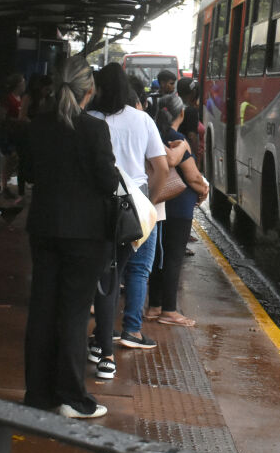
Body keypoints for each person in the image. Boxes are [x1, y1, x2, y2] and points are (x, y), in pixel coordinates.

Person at [21, 56, 118, 419]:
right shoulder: (93, 130)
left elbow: (28, 173)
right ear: (88, 91)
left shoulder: (37, 126)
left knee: (42, 308)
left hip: (44, 228)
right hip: (86, 234)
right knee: (74, 313)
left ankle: (39, 393)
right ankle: (72, 397)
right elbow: (108, 182)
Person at [88, 63, 167, 380]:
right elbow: (160, 167)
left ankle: (105, 351)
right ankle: (100, 343)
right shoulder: (143, 120)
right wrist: (150, 202)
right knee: (116, 271)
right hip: (133, 207)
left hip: (98, 204)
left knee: (105, 278)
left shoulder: (91, 120)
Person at [145, 94, 208, 327]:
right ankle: (169, 310)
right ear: (181, 114)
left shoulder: (154, 135)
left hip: (158, 204)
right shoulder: (178, 140)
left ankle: (154, 306)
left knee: (158, 257)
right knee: (173, 256)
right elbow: (192, 177)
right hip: (179, 207)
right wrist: (204, 190)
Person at [176, 78, 200, 162]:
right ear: (193, 93)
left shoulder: (174, 107)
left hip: (175, 152)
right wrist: (195, 158)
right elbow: (192, 136)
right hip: (186, 155)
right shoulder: (191, 111)